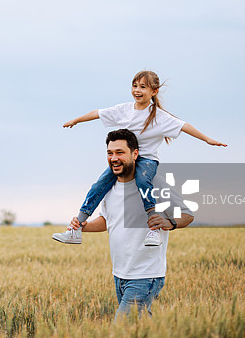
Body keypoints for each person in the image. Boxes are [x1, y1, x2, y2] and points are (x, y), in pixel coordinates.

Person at [53, 70, 224, 246]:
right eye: (135, 86)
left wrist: (207, 139)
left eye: (143, 87)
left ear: (154, 91)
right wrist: (75, 120)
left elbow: (184, 126)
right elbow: (97, 113)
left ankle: (153, 228)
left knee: (143, 181)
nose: (137, 90)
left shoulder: (159, 116)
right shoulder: (123, 110)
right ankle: (76, 228)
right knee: (99, 185)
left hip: (146, 161)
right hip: (125, 161)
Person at [65, 129, 194, 321]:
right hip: (120, 273)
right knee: (138, 327)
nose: (114, 158)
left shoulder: (154, 185)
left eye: (120, 152)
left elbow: (187, 215)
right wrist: (83, 226)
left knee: (122, 328)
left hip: (145, 274)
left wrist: (169, 223)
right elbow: (108, 221)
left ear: (135, 154)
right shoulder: (109, 189)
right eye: (110, 153)